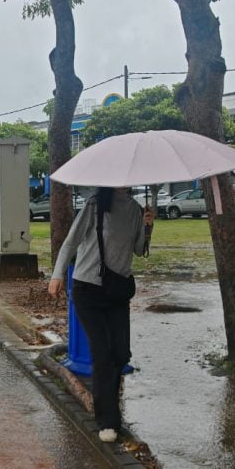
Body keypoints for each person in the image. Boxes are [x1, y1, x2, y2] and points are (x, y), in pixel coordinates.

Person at [47, 187, 154, 443]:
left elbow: (139, 249)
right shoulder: (96, 204)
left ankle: (109, 409)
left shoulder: (135, 209)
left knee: (120, 354)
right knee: (103, 354)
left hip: (117, 290)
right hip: (88, 289)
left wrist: (148, 226)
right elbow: (71, 241)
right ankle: (108, 420)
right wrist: (57, 274)